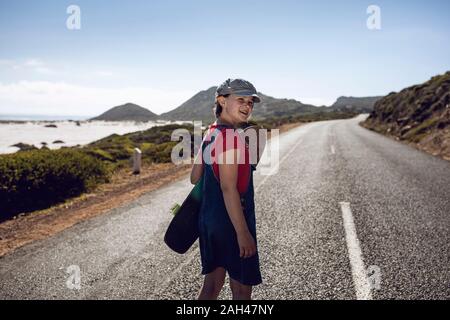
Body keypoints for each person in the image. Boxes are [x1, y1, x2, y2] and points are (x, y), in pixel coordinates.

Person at [190, 78, 263, 300]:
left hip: (210, 222)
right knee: (241, 290)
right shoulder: (231, 138)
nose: (247, 106)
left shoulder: (211, 133)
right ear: (222, 100)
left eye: (250, 102)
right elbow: (228, 188)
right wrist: (243, 233)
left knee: (212, 286)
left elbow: (195, 178)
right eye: (240, 99)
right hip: (232, 223)